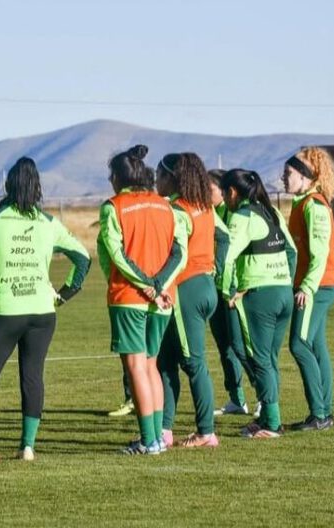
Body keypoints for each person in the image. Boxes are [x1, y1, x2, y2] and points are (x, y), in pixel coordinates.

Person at [0, 157, 91, 463]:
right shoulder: (48, 223)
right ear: (38, 187)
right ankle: (27, 447)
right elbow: (82, 258)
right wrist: (64, 294)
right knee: (33, 377)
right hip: (42, 313)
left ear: (7, 186)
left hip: (4, 311)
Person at [98, 145, 186, 455]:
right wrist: (159, 285)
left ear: (118, 177)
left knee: (135, 367)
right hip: (163, 298)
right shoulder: (166, 206)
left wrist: (146, 284)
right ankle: (158, 438)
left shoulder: (113, 207)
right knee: (151, 365)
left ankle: (149, 440)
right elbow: (180, 253)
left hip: (129, 297)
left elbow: (115, 255)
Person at [155, 153, 229, 448]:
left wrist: (157, 285)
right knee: (166, 360)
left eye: (160, 175)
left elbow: (179, 255)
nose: (156, 181)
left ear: (173, 178)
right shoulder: (204, 207)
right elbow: (224, 237)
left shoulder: (177, 210)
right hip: (205, 286)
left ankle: (206, 431)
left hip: (185, 291)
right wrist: (215, 267)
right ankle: (164, 430)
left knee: (193, 361)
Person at [218, 169, 296, 439]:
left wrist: (229, 290)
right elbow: (292, 251)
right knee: (270, 358)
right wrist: (285, 280)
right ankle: (264, 417)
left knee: (260, 359)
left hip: (260, 295)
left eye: (222, 193)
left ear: (232, 192)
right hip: (283, 292)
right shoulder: (271, 212)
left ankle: (272, 424)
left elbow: (226, 257)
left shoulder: (243, 216)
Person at [281, 147, 334, 431]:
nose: (284, 177)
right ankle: (323, 412)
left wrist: (305, 286)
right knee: (316, 347)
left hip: (317, 287)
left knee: (299, 344)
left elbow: (319, 255)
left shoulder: (314, 206)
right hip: (317, 286)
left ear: (305, 178)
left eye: (289, 173)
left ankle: (319, 414)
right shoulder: (301, 202)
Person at [208, 169, 257, 418]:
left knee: (240, 346)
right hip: (215, 288)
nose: (207, 194)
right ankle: (237, 399)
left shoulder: (237, 214)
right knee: (224, 347)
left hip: (233, 291)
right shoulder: (211, 213)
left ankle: (263, 395)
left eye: (211, 189)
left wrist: (239, 288)